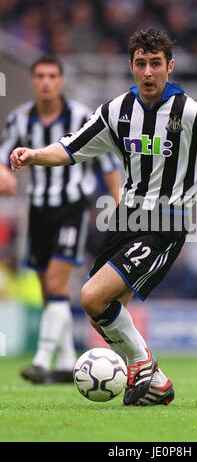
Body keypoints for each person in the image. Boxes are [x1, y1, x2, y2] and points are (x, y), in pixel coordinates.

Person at [10, 29, 197, 405]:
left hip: (166, 224)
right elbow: (71, 147)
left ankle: (143, 363)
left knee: (92, 296)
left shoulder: (193, 113)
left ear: (169, 66)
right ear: (131, 66)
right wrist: (33, 155)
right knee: (101, 314)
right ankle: (156, 383)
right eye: (140, 64)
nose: (148, 72)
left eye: (155, 64)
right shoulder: (116, 111)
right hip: (125, 219)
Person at [0, 55, 122, 384]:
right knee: (48, 292)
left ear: (61, 80)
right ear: (31, 80)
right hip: (38, 210)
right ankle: (68, 361)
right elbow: (2, 155)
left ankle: (41, 359)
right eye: (39, 75)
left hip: (71, 207)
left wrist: (119, 203)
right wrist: (3, 174)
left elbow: (108, 163)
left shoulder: (82, 116)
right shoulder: (19, 119)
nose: (45, 82)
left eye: (52, 75)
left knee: (56, 283)